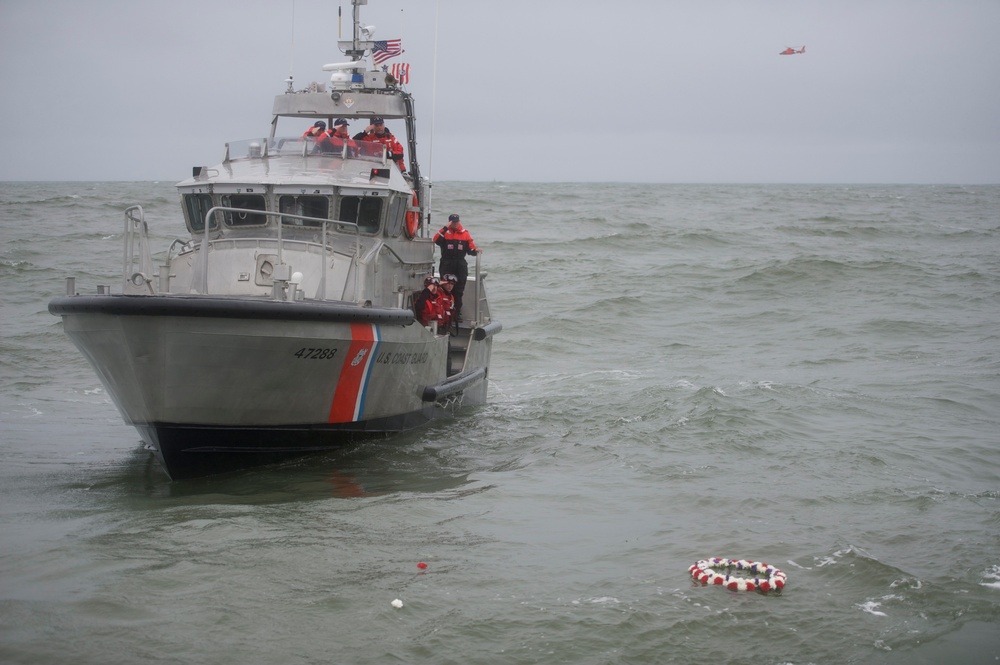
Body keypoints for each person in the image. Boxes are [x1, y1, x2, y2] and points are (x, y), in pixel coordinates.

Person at [433, 214, 479, 322]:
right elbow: (435, 240)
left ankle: (457, 314)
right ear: (449, 222)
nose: (455, 224)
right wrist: (445, 228)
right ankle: (444, 312)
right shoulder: (445, 233)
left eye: (457, 221)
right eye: (453, 222)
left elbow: (470, 249)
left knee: (458, 290)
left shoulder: (465, 234)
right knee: (445, 288)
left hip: (460, 264)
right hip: (446, 263)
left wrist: (476, 251)